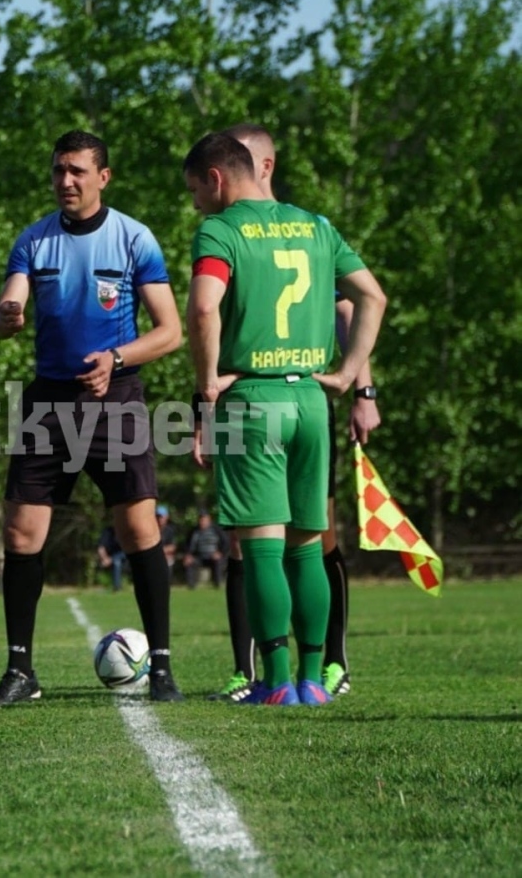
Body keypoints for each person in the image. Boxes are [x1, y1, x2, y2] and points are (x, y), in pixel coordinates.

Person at [184, 131, 386, 705]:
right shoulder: (316, 226)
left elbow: (203, 307)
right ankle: (314, 679)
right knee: (307, 546)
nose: (196, 202)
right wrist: (349, 375)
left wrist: (205, 392)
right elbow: (372, 297)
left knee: (262, 548)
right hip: (311, 400)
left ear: (217, 178)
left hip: (253, 398)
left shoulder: (221, 230)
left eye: (196, 189)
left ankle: (274, 682)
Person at [0, 129, 185, 705]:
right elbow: (6, 312)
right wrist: (8, 314)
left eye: (77, 171)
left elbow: (170, 332)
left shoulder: (134, 239)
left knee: (138, 529)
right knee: (22, 533)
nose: (66, 181)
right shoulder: (33, 241)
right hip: (48, 401)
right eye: (58, 171)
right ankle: (20, 672)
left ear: (103, 177)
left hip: (115, 397)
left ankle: (164, 668)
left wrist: (117, 358)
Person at [183, 508, 229, 589]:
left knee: (217, 561)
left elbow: (226, 543)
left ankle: (217, 584)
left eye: (204, 519)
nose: (202, 521)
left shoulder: (216, 530)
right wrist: (188, 555)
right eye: (200, 519)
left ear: (209, 519)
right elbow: (187, 545)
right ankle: (191, 585)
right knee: (189, 561)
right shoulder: (194, 531)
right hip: (199, 557)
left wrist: (220, 553)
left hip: (213, 556)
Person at [96, 525, 127, 591]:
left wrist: (111, 559)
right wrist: (104, 559)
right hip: (113, 558)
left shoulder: (126, 529)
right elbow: (101, 548)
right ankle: (117, 587)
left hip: (126, 555)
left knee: (116, 560)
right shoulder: (108, 532)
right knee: (116, 562)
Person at [156, 505, 177, 574]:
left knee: (168, 560)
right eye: (158, 516)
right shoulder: (151, 530)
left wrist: (162, 551)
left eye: (161, 517)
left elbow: (173, 547)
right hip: (153, 555)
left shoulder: (170, 530)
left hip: (165, 555)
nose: (159, 519)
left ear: (166, 517)